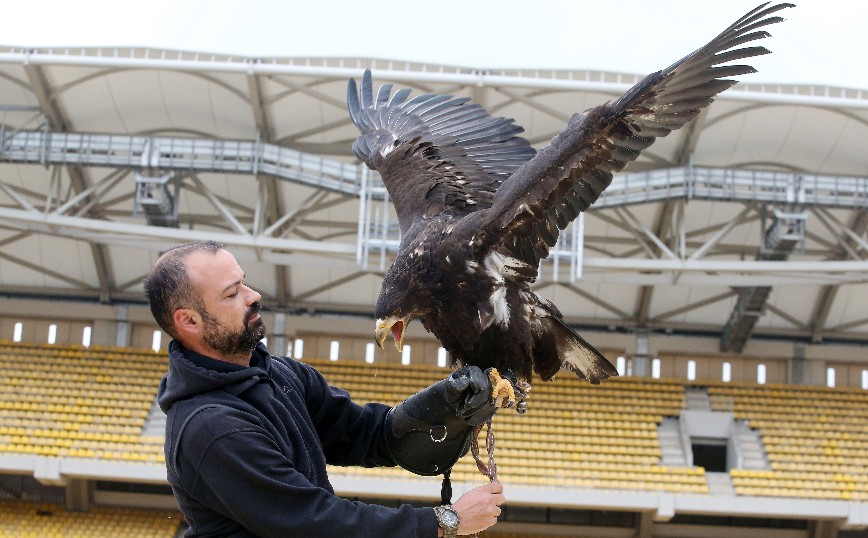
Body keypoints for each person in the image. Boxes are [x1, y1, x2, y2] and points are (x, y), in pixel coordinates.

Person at [145, 240, 505, 537]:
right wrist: (444, 522)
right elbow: (316, 523)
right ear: (188, 321)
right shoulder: (211, 428)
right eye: (231, 294)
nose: (253, 295)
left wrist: (447, 406)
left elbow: (366, 434)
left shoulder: (281, 374)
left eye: (244, 282)